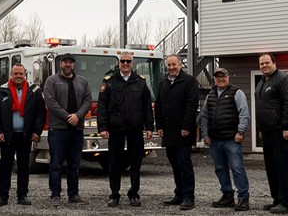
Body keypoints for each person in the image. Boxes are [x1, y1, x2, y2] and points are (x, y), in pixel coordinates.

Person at [97, 52, 154, 208]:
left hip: (135, 128)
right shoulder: (109, 81)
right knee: (114, 163)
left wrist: (149, 127)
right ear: (119, 63)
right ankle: (114, 194)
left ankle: (134, 194)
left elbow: (147, 107)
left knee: (136, 163)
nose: (126, 64)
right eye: (123, 61)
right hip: (116, 129)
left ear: (132, 63)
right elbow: (102, 106)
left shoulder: (140, 82)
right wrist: (102, 127)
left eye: (128, 61)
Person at [0, 63, 46, 207]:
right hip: (7, 136)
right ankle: (2, 196)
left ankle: (22, 195)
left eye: (21, 74)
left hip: (25, 135)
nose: (18, 76)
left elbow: (41, 112)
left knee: (23, 167)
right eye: (16, 74)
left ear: (25, 74)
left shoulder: (34, 91)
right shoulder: (2, 91)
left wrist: (37, 131)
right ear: (11, 75)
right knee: (5, 166)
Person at [43, 53, 92, 206]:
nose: (68, 65)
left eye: (71, 63)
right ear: (60, 64)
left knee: (74, 164)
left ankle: (74, 194)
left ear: (74, 65)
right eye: (65, 62)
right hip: (58, 130)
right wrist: (67, 116)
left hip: (76, 130)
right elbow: (50, 101)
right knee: (56, 164)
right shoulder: (52, 81)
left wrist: (77, 116)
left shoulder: (82, 81)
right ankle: (55, 195)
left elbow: (88, 100)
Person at [200, 67, 250, 211]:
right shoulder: (210, 95)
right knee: (220, 169)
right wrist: (205, 135)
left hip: (231, 140)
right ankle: (227, 196)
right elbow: (204, 116)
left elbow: (244, 113)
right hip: (215, 140)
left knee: (237, 168)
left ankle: (243, 198)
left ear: (228, 78)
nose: (220, 79)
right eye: (217, 77)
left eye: (223, 76)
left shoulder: (236, 92)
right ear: (214, 79)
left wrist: (240, 131)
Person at [155, 54, 199, 210]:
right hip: (168, 132)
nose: (171, 68)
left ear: (180, 65)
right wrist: (159, 126)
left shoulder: (189, 81)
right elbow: (159, 106)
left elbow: (191, 105)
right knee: (174, 164)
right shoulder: (163, 83)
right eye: (169, 65)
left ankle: (189, 197)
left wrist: (186, 126)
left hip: (183, 133)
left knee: (184, 164)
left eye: (174, 64)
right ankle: (179, 194)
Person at [255, 53, 288, 214]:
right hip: (267, 132)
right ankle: (277, 200)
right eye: (261, 64)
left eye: (267, 62)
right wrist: (261, 129)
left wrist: (287, 127)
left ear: (274, 63)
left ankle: (286, 202)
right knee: (271, 168)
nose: (264, 66)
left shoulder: (283, 80)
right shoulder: (262, 82)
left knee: (283, 167)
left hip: (280, 132)